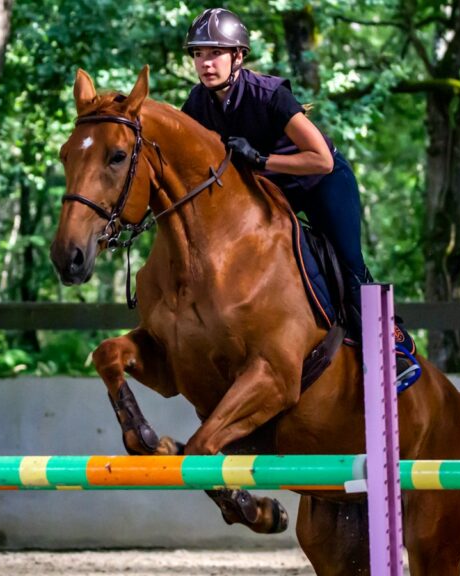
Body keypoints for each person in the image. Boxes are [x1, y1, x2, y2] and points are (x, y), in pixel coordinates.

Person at [179, 7, 419, 386]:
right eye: (198, 55)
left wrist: (260, 158)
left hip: (320, 183)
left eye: (214, 53)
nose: (205, 64)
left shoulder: (269, 95)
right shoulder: (197, 104)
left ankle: (394, 350)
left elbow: (320, 160)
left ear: (238, 56)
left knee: (347, 261)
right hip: (271, 192)